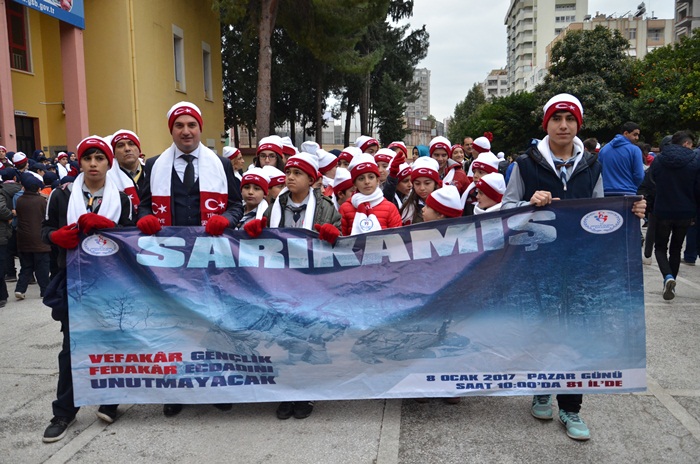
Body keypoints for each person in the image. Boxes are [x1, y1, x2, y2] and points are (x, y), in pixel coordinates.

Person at [502, 93, 646, 441]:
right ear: (546, 124)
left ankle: (571, 407)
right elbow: (505, 211)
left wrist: (632, 213)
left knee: (577, 326)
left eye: (569, 120)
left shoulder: (592, 164)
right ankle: (541, 388)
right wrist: (527, 202)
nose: (563, 126)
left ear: (578, 125)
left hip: (581, 264)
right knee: (542, 324)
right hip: (537, 261)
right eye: (556, 119)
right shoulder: (525, 164)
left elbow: (600, 210)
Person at [136, 101, 243, 417]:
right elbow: (143, 206)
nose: (186, 131)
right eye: (179, 126)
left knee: (213, 323)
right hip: (170, 264)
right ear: (171, 130)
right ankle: (176, 390)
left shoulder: (221, 165)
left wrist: (226, 219)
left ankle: (218, 385)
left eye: (191, 125)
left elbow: (236, 206)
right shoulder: (155, 165)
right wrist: (146, 220)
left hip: (210, 261)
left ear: (200, 128)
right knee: (175, 324)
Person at [41, 136, 134, 442]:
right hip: (74, 280)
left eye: (100, 158)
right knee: (72, 347)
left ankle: (110, 401)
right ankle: (64, 410)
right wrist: (56, 237)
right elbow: (45, 231)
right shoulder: (61, 195)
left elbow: (131, 241)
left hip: (110, 282)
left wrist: (112, 231)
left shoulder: (121, 200)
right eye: (87, 158)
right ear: (78, 162)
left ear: (109, 163)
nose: (93, 164)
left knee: (111, 342)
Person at [245, 152, 341, 420]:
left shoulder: (325, 207)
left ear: (311, 179)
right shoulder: (276, 204)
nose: (289, 177)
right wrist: (255, 231)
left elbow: (339, 237)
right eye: (288, 172)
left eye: (297, 173)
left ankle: (307, 392)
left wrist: (334, 236)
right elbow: (263, 233)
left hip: (311, 282)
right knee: (284, 337)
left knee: (309, 336)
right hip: (280, 281)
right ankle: (286, 391)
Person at [649, 130, 700, 300]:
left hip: (663, 210)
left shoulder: (659, 160)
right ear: (687, 143)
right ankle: (672, 282)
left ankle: (667, 277)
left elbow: (652, 180)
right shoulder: (695, 161)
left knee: (660, 247)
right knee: (676, 248)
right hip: (685, 212)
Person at [339, 153, 402, 236]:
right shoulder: (345, 208)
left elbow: (398, 240)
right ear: (354, 183)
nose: (367, 182)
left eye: (371, 177)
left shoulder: (390, 208)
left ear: (377, 180)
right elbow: (340, 240)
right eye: (361, 178)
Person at [14, 172, 51, 300]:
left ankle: (20, 289)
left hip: (23, 239)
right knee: (42, 267)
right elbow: (47, 218)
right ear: (38, 189)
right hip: (40, 240)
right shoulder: (42, 201)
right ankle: (45, 291)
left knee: (26, 266)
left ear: (23, 187)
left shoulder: (19, 201)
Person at [598, 122, 645, 197]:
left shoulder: (604, 150)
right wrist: (633, 186)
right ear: (626, 133)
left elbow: (599, 171)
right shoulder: (635, 150)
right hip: (628, 192)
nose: (637, 138)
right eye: (635, 134)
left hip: (606, 192)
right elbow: (639, 175)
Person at [398, 156, 441, 225]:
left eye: (427, 183)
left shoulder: (443, 204)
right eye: (417, 183)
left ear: (435, 183)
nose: (422, 188)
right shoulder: (408, 207)